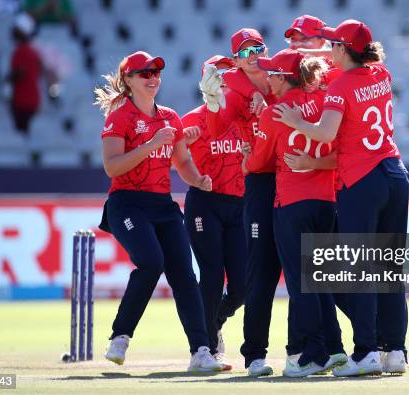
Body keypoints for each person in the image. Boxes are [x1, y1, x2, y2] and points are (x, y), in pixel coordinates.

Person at [273, 19, 409, 377]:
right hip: (395, 172)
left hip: (363, 180)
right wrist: (316, 50)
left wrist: (293, 120)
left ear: (344, 50)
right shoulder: (381, 73)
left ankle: (365, 353)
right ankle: (394, 350)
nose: (329, 50)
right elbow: (354, 65)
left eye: (334, 45)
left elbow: (325, 131)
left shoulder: (341, 87)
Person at [94, 50, 221, 372]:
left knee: (184, 274)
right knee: (151, 263)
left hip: (162, 205)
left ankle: (201, 351)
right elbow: (112, 167)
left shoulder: (169, 117)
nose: (153, 79)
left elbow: (183, 163)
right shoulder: (119, 117)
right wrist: (151, 143)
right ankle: (120, 337)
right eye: (144, 73)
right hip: (127, 202)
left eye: (156, 73)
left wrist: (200, 180)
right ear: (128, 80)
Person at [244, 48, 348, 377]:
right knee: (319, 280)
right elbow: (340, 153)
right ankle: (333, 348)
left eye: (272, 74)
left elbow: (258, 163)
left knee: (302, 283)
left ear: (285, 77)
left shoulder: (274, 112)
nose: (267, 78)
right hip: (326, 202)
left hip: (292, 203)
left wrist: (247, 156)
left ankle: (312, 354)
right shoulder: (324, 101)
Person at [199, 28, 284, 377]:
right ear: (235, 59)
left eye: (258, 48)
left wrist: (269, 106)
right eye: (245, 51)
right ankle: (254, 354)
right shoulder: (233, 88)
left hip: (299, 174)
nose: (254, 56)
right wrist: (213, 102)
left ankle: (324, 348)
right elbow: (217, 129)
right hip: (260, 179)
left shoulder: (279, 71)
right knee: (258, 273)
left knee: (309, 267)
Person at [181, 55, 246, 371]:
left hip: (240, 205)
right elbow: (175, 159)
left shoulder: (243, 116)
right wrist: (185, 146)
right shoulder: (193, 119)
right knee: (210, 274)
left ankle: (215, 320)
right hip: (205, 203)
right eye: (218, 75)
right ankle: (203, 347)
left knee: (244, 285)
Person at [7, 13, 42, 134]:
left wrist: (8, 78)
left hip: (23, 101)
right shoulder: (32, 50)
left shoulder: (22, 50)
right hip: (32, 99)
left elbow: (21, 72)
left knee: (21, 133)